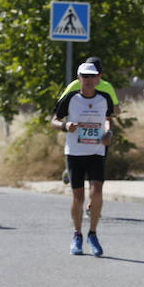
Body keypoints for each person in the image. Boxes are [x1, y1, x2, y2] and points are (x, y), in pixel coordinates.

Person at [51, 61, 114, 257]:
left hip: (96, 152)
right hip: (75, 153)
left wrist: (108, 133)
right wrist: (65, 126)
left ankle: (93, 234)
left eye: (91, 76)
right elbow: (53, 121)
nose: (88, 80)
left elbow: (107, 119)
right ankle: (77, 235)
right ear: (78, 79)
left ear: (97, 78)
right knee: (78, 197)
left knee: (96, 192)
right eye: (84, 77)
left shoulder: (104, 98)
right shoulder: (70, 99)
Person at [59, 56, 120, 190]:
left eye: (93, 75)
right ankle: (70, 170)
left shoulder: (78, 83)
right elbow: (117, 110)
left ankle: (91, 203)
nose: (91, 79)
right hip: (79, 128)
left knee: (96, 173)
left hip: (98, 130)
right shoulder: (104, 85)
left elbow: (113, 110)